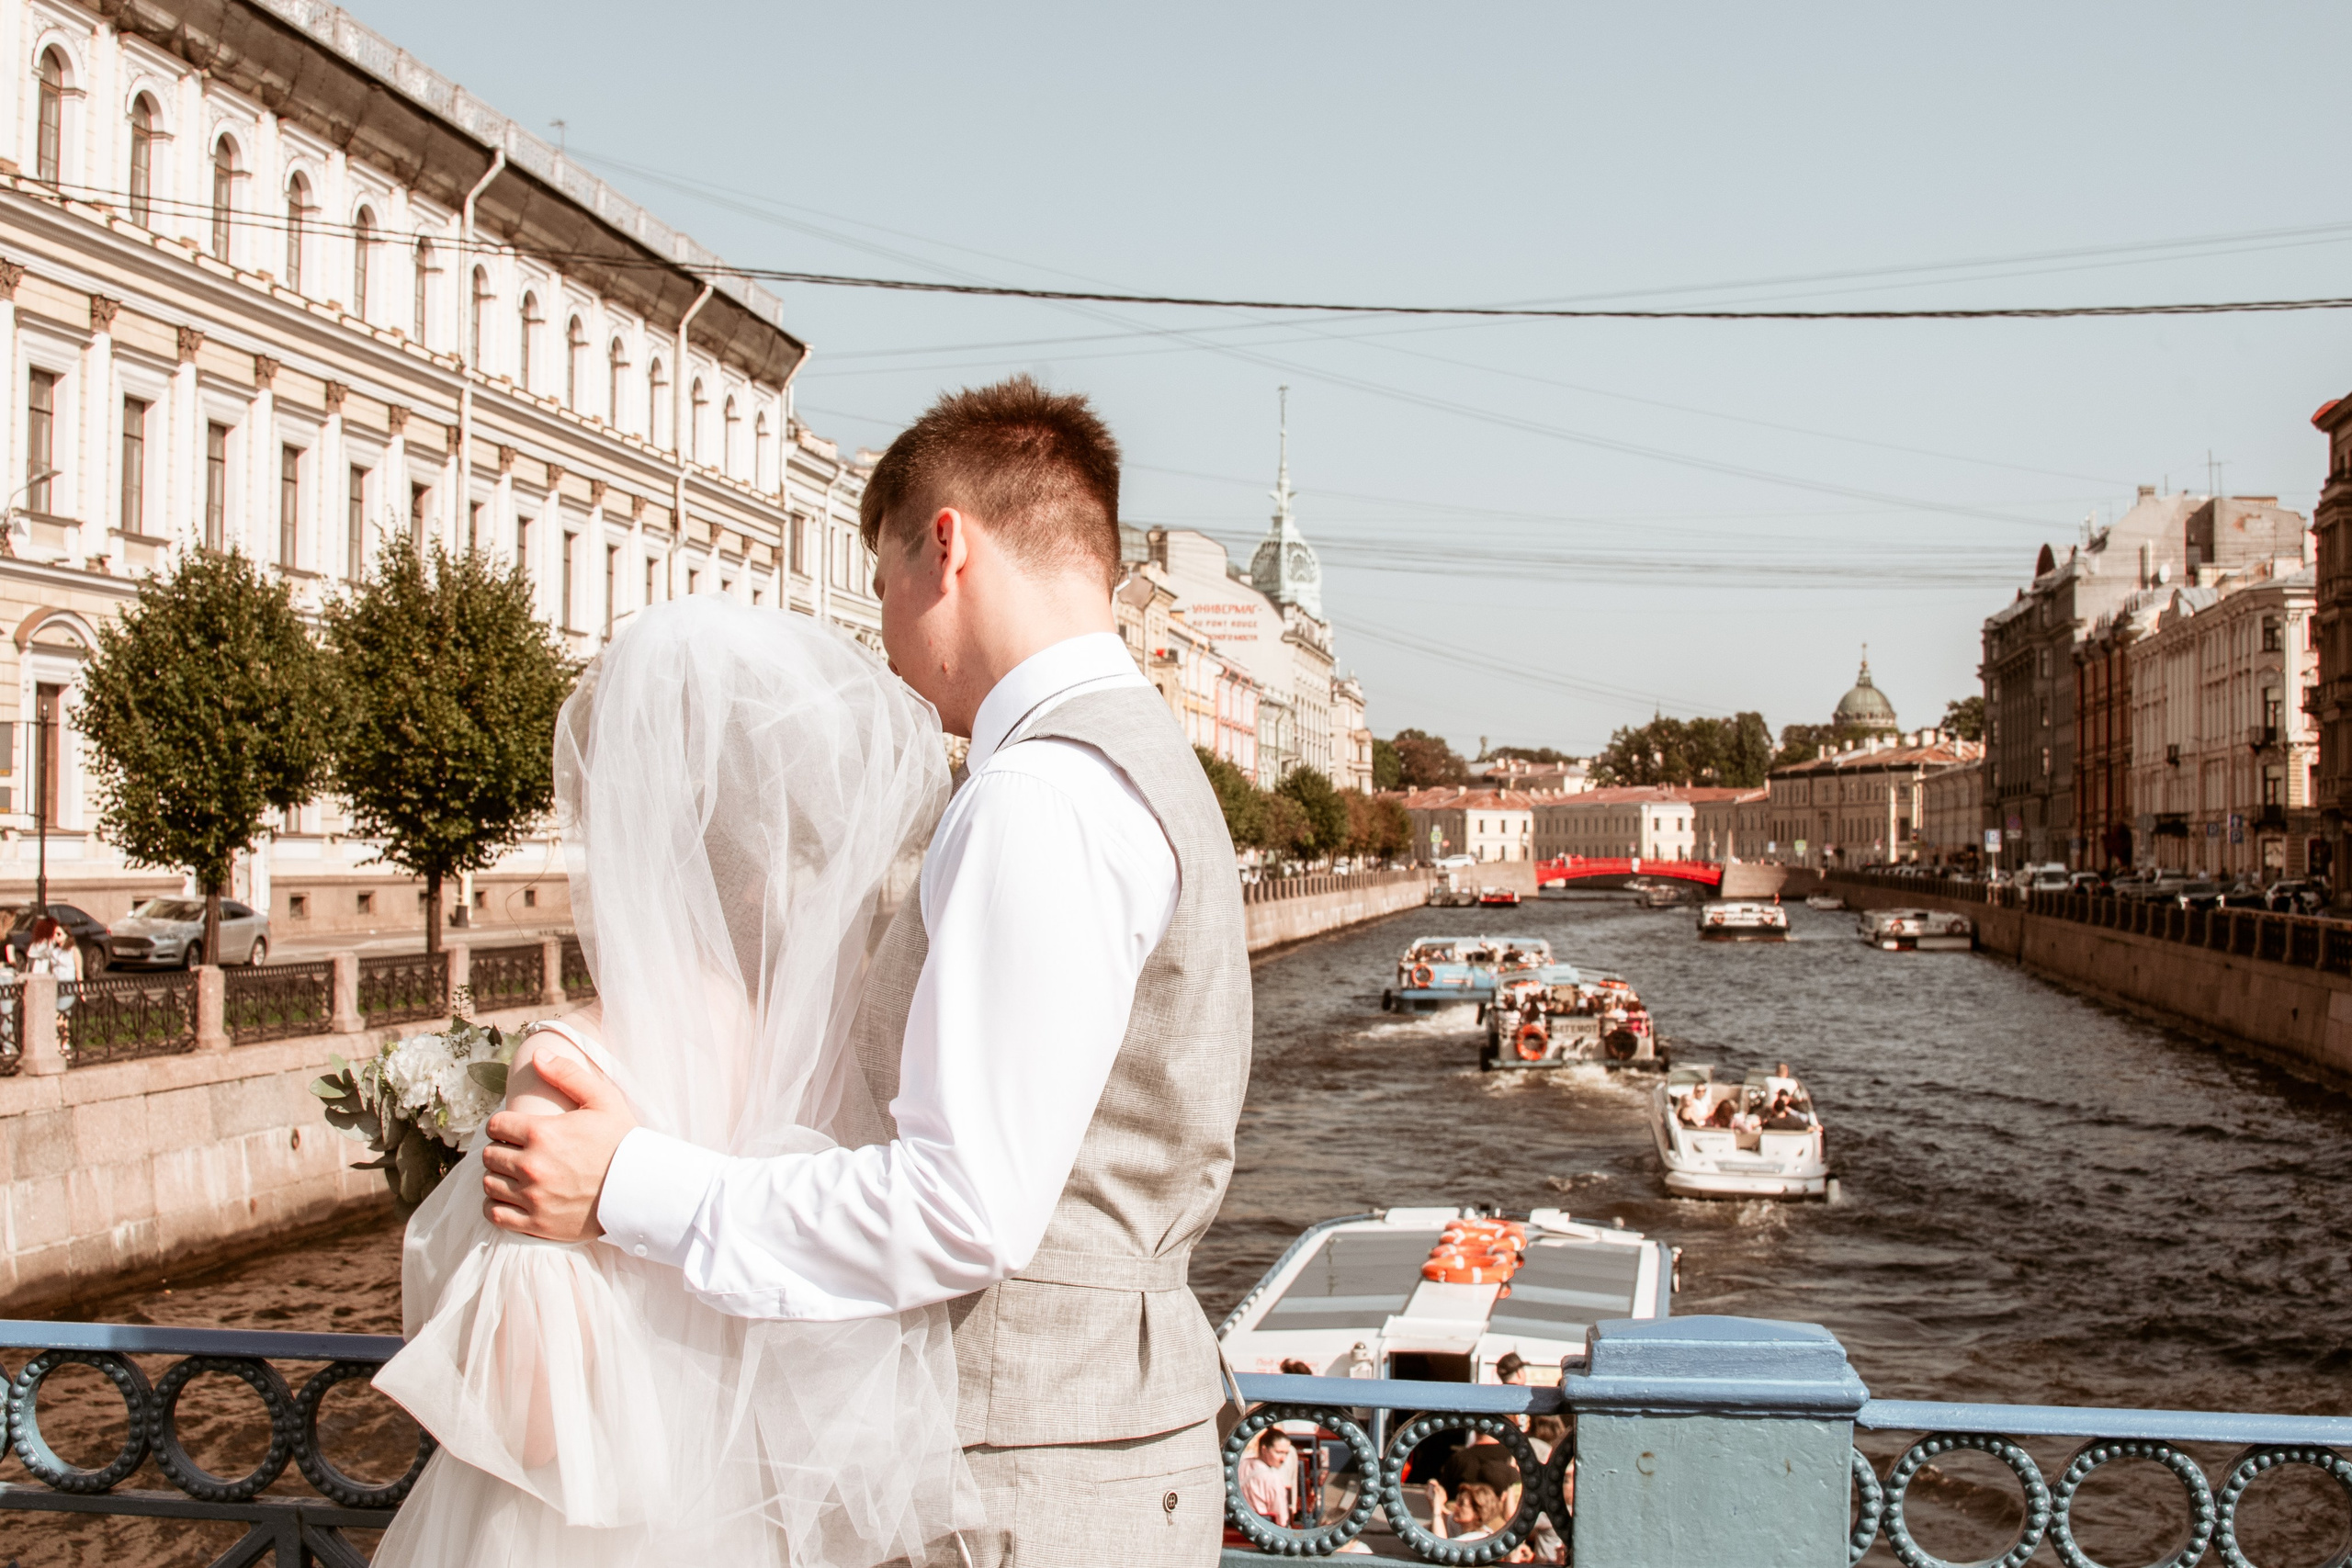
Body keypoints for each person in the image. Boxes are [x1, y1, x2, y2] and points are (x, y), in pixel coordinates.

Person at [468, 377, 1252, 1566]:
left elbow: (961, 1205)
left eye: (881, 575)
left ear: (946, 546)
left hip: (1024, 1493)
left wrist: (625, 1180)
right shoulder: (1141, 762)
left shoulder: (1035, 794)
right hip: (1100, 1452)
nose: (882, 623)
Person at [370, 599, 971, 1566]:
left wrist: (462, 1226)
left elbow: (530, 1416)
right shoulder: (814, 1038)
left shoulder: (567, 1063)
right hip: (765, 1510)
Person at [1238, 1428, 1298, 1528]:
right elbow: (1281, 1520)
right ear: (1264, 1449)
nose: (1283, 1459)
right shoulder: (1273, 1480)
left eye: (1286, 1453)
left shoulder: (1241, 1465)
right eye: (1279, 1452)